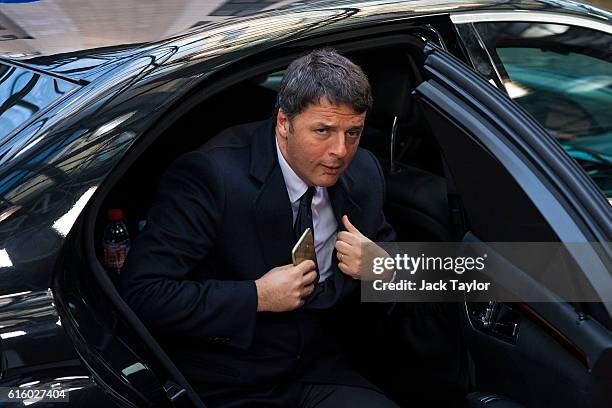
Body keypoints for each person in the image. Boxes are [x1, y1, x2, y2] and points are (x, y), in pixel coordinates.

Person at [119, 48, 399, 407]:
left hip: (319, 368)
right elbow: (143, 294)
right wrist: (256, 297)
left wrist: (382, 266)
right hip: (229, 378)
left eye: (353, 133)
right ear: (284, 122)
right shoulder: (211, 177)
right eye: (323, 131)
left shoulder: (363, 172)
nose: (340, 151)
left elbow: (397, 263)